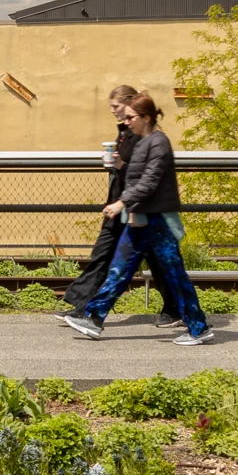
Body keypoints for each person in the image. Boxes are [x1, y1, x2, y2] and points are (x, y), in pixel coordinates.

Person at [61, 94, 213, 346]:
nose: (127, 121)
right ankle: (93, 317)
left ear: (147, 117)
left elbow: (150, 181)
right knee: (119, 270)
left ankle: (198, 327)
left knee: (174, 275)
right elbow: (133, 175)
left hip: (157, 220)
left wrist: (122, 202)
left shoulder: (158, 142)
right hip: (140, 218)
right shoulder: (143, 141)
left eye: (131, 117)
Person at [63, 85, 141, 312]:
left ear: (129, 103)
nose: (113, 111)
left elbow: (142, 174)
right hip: (119, 205)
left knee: (161, 264)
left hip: (131, 207)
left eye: (116, 106)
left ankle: (179, 310)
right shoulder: (125, 133)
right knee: (103, 255)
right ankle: (83, 306)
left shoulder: (140, 135)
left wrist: (120, 167)